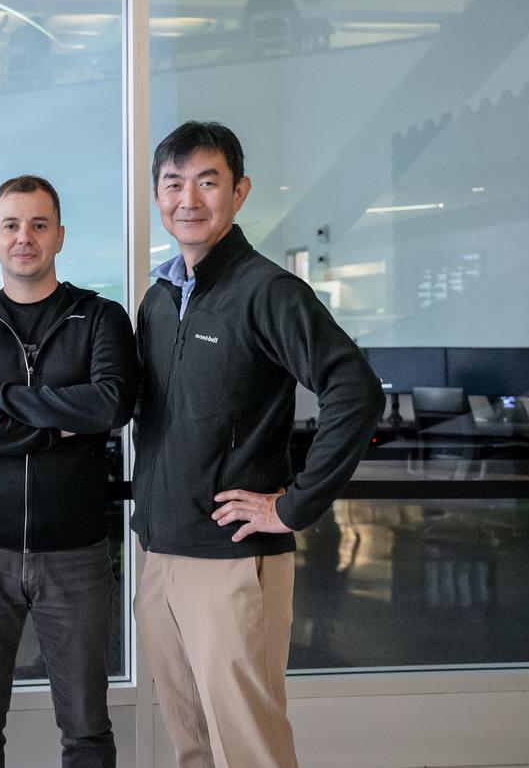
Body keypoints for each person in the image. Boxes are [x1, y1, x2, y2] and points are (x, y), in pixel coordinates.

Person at [133, 122, 383, 768]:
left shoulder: (267, 291)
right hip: (160, 554)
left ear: (239, 192)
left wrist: (292, 506)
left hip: (230, 559)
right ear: (157, 196)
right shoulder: (159, 300)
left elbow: (354, 390)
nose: (188, 199)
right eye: (173, 184)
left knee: (248, 751)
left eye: (207, 182)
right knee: (191, 745)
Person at [0, 175, 137, 768]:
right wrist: (52, 426)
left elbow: (110, 404)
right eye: (12, 226)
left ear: (59, 236)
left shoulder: (99, 317)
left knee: (87, 727)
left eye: (39, 225)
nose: (25, 238)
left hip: (76, 552)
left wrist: (0, 399)